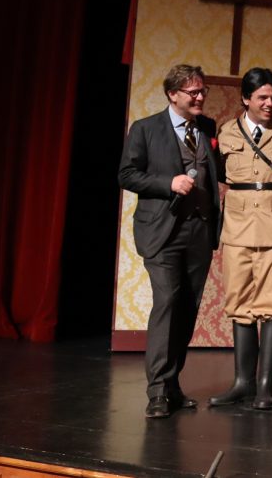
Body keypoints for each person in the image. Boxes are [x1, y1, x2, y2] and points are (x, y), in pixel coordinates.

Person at [118, 64, 222, 419]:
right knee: (168, 301)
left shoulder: (207, 128)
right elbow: (127, 174)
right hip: (162, 231)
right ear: (172, 94)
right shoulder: (146, 128)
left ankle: (173, 383)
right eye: (192, 92)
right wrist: (168, 183)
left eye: (202, 91)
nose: (200, 97)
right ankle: (158, 391)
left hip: (199, 231)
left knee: (188, 308)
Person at [209, 67, 272, 411]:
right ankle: (243, 383)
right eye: (262, 97)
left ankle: (266, 387)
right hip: (237, 227)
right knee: (239, 303)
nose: (269, 103)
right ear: (246, 99)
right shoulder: (225, 133)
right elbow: (212, 173)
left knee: (271, 304)